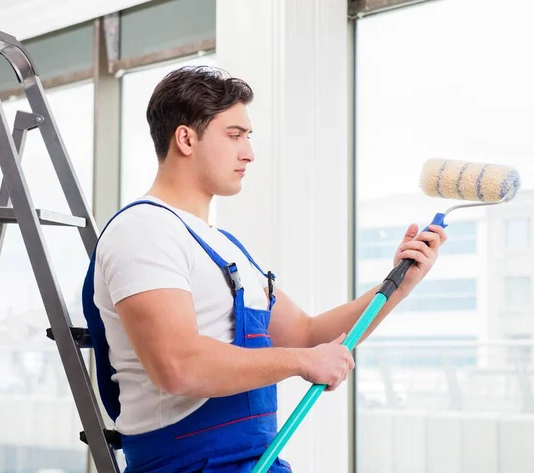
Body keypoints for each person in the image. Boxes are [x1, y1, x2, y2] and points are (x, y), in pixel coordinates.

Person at [81, 66, 447, 473]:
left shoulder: (224, 246)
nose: (249, 152)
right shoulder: (145, 230)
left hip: (255, 463)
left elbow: (309, 337)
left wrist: (399, 283)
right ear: (186, 138)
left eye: (248, 137)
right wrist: (298, 363)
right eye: (234, 135)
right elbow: (177, 366)